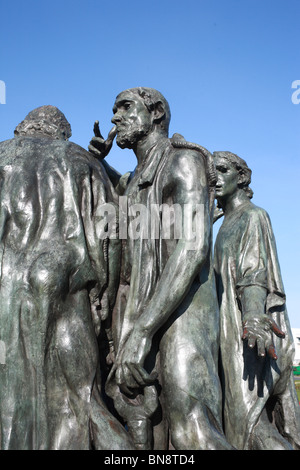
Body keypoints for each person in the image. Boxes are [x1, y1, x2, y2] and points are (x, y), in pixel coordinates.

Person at [89, 87, 233, 450]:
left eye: (125, 107)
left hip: (182, 312)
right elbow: (126, 192)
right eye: (114, 110)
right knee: (149, 432)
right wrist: (101, 165)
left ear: (155, 114)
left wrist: (143, 331)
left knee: (191, 431)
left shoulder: (184, 162)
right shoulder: (133, 179)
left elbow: (193, 247)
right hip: (142, 312)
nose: (114, 118)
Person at [0, 106, 134, 450]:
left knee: (12, 398)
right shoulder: (81, 161)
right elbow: (111, 232)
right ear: (63, 134)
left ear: (21, 129)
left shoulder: (3, 155)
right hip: (66, 278)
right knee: (83, 398)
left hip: (7, 284)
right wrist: (104, 292)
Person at [213, 151, 300, 450]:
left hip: (250, 336)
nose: (215, 178)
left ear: (241, 177)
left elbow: (254, 274)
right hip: (236, 333)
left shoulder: (252, 215)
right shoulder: (225, 225)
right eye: (211, 173)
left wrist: (252, 317)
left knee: (250, 428)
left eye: (222, 170)